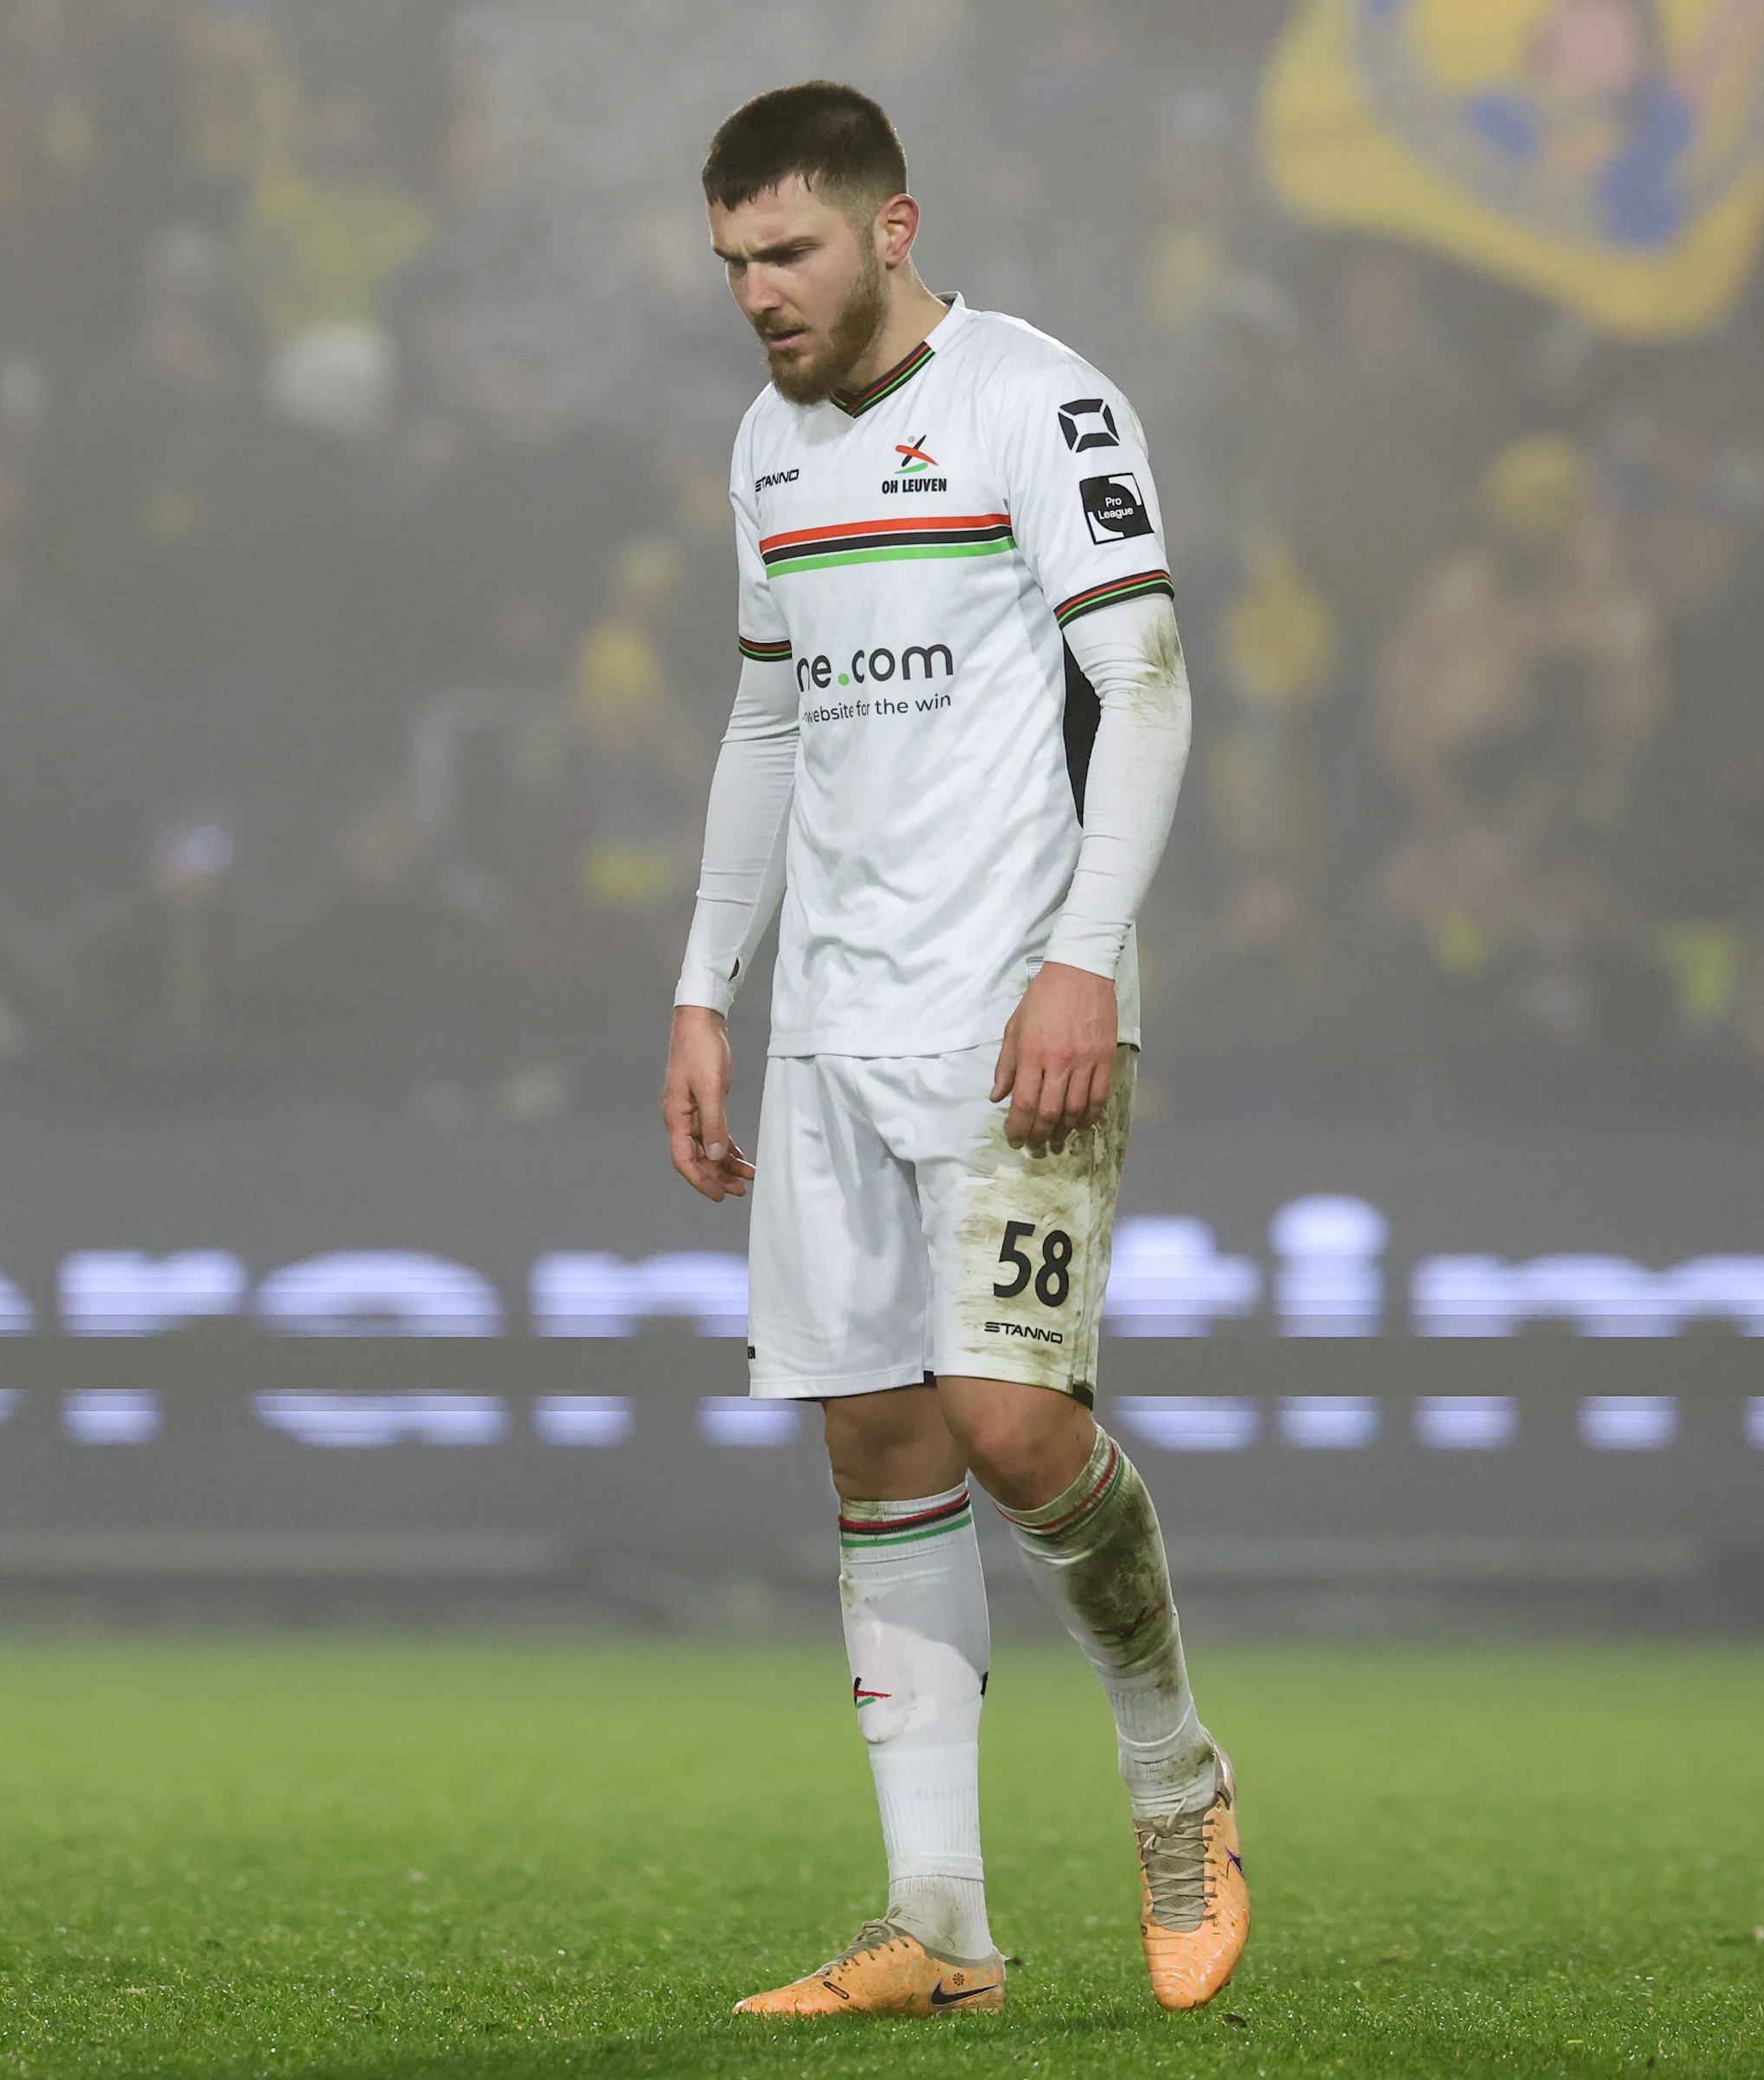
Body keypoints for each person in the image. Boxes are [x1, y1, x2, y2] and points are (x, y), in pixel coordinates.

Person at [657, 83, 1239, 2020]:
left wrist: (1084, 960)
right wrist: (703, 982)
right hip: (830, 1025)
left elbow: (1143, 684)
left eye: (790, 252)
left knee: (1007, 1424)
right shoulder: (765, 444)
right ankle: (942, 1928)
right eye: (734, 259)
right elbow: (765, 725)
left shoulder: (1039, 402)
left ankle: (1176, 1778)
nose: (758, 293)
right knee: (878, 1445)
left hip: (1015, 1018)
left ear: (893, 230)